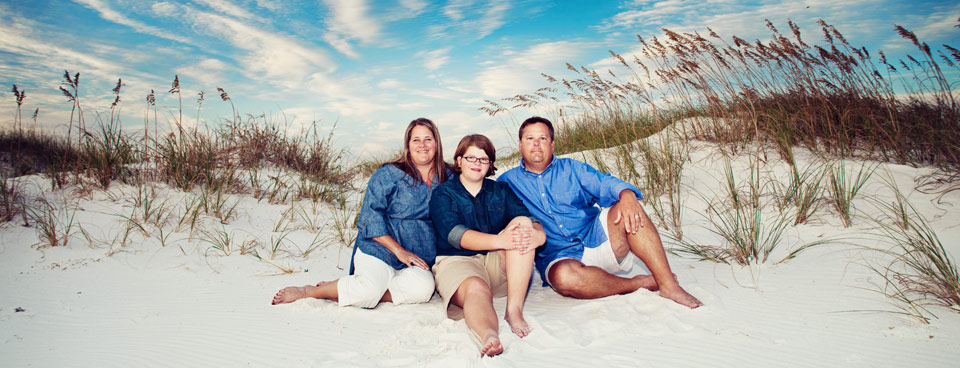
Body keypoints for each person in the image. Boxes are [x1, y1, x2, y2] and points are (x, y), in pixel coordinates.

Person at [497, 116, 702, 308]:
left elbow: (605, 183)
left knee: (628, 206)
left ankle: (668, 285)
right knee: (566, 279)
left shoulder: (572, 168)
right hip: (560, 257)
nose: (536, 144)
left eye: (543, 138)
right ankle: (635, 283)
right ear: (520, 144)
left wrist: (628, 195)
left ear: (552, 144)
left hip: (598, 238)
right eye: (530, 138)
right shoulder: (507, 182)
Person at [272, 118, 450, 308]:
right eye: (416, 140)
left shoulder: (448, 175)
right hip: (381, 249)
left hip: (419, 254)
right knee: (367, 293)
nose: (422, 145)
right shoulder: (388, 173)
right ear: (408, 144)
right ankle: (312, 291)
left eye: (428, 139)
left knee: (423, 289)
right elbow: (369, 217)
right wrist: (399, 252)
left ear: (436, 143)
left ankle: (358, 290)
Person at [429, 134, 546, 357]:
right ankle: (489, 335)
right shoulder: (443, 193)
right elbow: (455, 235)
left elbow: (526, 219)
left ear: (490, 164)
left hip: (496, 265)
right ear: (459, 161)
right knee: (476, 288)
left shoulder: (500, 190)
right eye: (471, 158)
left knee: (521, 225)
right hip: (457, 262)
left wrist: (539, 236)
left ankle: (514, 310)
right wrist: (499, 240)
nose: (477, 164)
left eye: (483, 159)